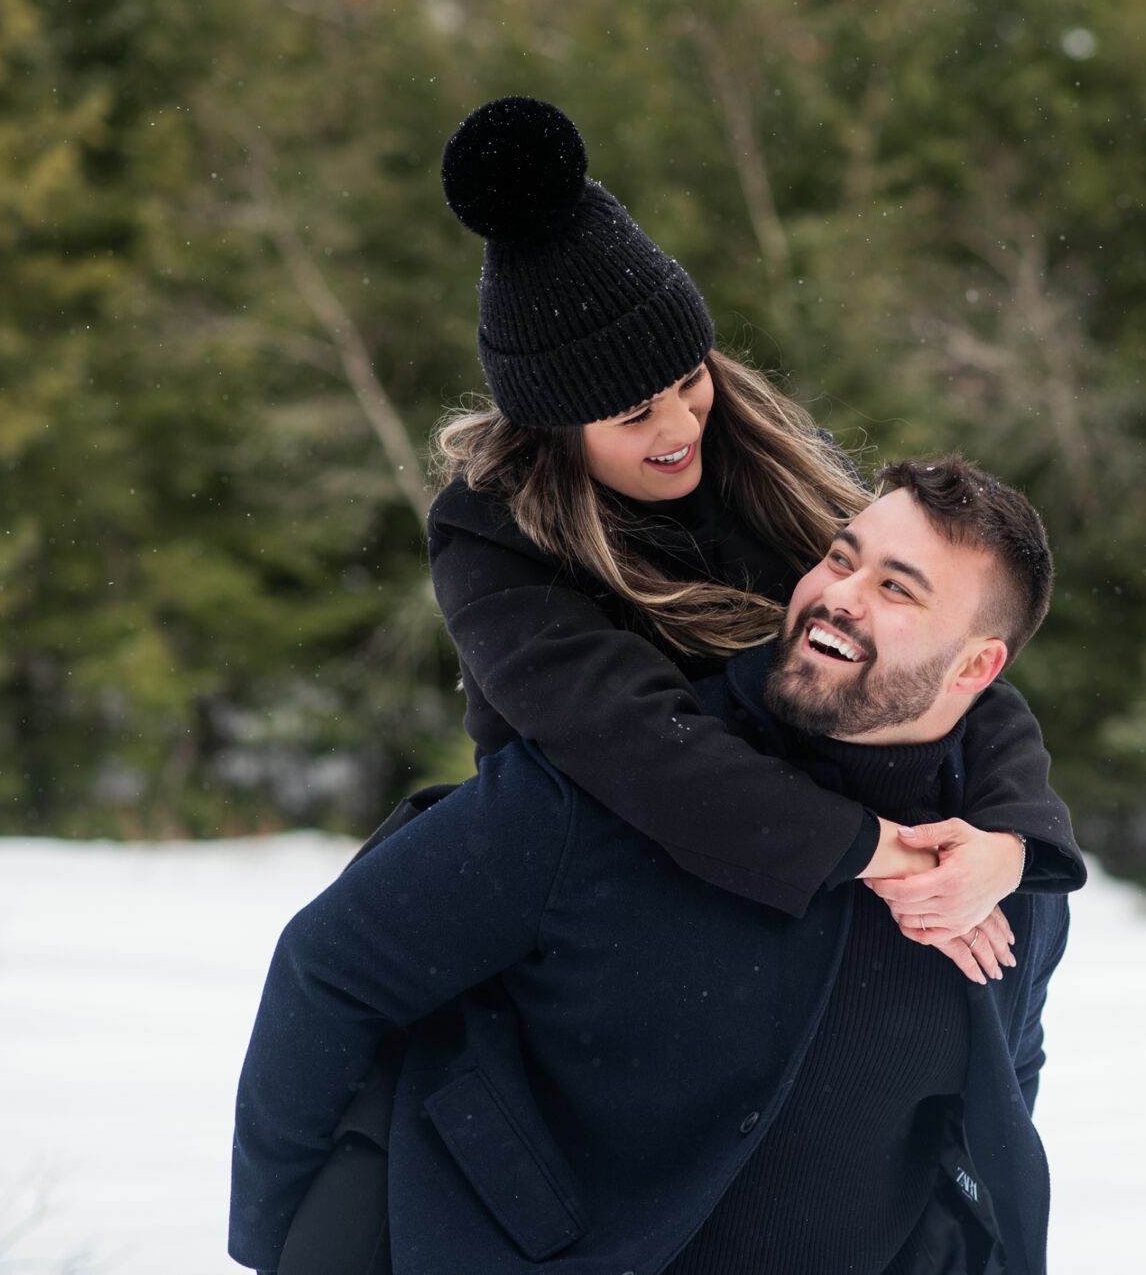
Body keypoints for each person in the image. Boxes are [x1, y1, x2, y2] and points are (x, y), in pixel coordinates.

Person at [231, 456, 1070, 1275]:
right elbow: (334, 967)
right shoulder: (620, 779)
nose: (839, 595)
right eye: (841, 558)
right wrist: (284, 1242)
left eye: (896, 588)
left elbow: (997, 1086)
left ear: (977, 668)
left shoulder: (997, 876)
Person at [417, 96, 1082, 963]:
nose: (681, 427)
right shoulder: (493, 538)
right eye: (633, 415)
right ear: (557, 430)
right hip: (595, 890)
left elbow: (957, 654)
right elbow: (639, 747)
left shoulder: (764, 458)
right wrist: (880, 852)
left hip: (803, 865)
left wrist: (1011, 843)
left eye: (690, 379)